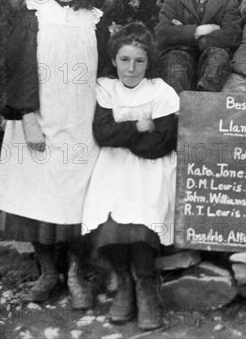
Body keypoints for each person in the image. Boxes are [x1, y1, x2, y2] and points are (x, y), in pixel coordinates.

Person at [0, 0, 112, 308]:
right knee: (37, 196)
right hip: (38, 119)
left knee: (77, 200)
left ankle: (77, 273)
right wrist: (27, 116)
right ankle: (48, 272)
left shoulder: (95, 17)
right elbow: (18, 66)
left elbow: (105, 71)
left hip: (80, 123)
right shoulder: (32, 13)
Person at [82, 23, 179, 330]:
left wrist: (123, 134)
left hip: (152, 166)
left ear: (149, 62)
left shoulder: (161, 91)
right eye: (125, 60)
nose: (131, 68)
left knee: (142, 215)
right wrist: (138, 127)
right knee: (109, 214)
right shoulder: (106, 88)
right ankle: (124, 282)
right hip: (112, 164)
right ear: (114, 59)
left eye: (139, 61)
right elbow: (102, 133)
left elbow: (161, 143)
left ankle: (146, 286)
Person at [155, 0, 242, 94]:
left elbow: (232, 36)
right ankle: (177, 109)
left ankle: (204, 106)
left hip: (212, 62)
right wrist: (202, 30)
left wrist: (183, 32)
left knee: (219, 56)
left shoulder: (229, 2)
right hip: (180, 58)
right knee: (175, 59)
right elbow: (163, 33)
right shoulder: (174, 0)